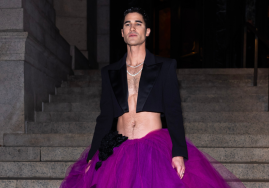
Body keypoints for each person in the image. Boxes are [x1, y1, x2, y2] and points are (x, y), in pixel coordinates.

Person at [60, 7, 246, 188]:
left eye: (138, 24)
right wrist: (92, 156)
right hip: (118, 150)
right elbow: (105, 118)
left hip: (154, 150)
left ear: (147, 31)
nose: (132, 28)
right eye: (128, 24)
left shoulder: (165, 67)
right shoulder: (109, 72)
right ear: (122, 33)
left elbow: (174, 112)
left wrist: (178, 152)